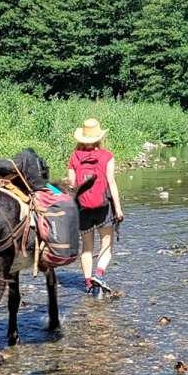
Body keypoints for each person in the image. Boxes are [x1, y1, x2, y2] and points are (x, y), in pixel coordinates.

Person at [68, 118, 124, 294]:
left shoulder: (74, 156)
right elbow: (111, 182)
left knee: (87, 247)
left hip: (83, 208)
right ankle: (99, 275)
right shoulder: (107, 156)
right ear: (99, 137)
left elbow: (71, 184)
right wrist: (119, 208)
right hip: (103, 207)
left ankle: (87, 284)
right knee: (106, 245)